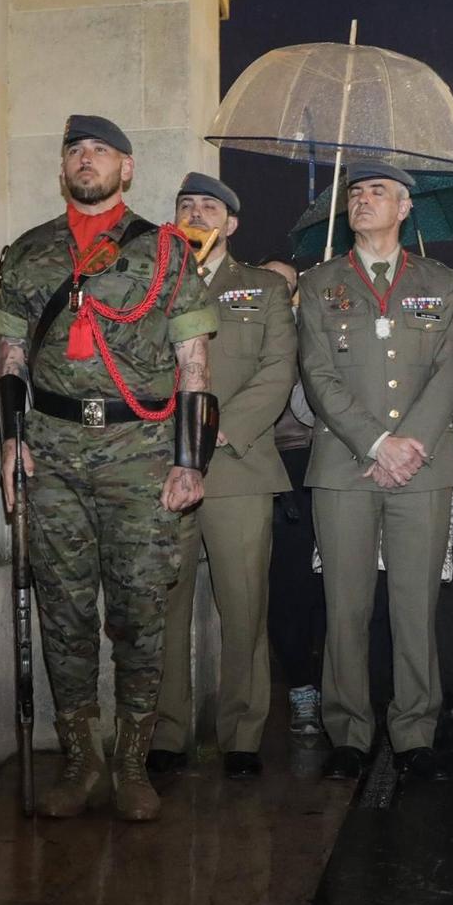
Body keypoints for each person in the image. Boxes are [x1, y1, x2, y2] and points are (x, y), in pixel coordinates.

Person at [0, 115, 216, 823]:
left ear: (127, 166)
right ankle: (83, 758)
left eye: (99, 151)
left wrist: (192, 458)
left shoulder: (168, 253)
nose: (85, 159)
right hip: (53, 450)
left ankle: (131, 760)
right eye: (74, 150)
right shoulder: (29, 253)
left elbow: (194, 364)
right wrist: (10, 440)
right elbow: (10, 358)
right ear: (63, 168)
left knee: (142, 608)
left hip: (140, 453)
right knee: (62, 608)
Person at [297, 163, 453, 783]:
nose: (363, 201)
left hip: (421, 467)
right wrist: (375, 443)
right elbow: (318, 374)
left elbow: (447, 368)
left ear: (404, 208)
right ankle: (348, 731)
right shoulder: (319, 283)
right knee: (344, 605)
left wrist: (409, 443)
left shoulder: (439, 280)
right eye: (356, 193)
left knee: (415, 605)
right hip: (345, 465)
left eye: (378, 194)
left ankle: (415, 728)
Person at [149, 175, 294, 779]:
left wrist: (218, 431)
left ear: (230, 224)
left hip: (237, 463)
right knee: (164, 608)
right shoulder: (152, 286)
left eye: (209, 206)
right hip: (161, 467)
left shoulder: (260, 288)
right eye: (186, 205)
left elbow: (277, 369)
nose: (197, 213)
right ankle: (165, 733)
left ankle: (241, 737)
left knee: (244, 606)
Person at [262, 258, 325, 738]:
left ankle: (319, 684)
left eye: (289, 286)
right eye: (270, 285)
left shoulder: (314, 333)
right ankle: (300, 687)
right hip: (257, 466)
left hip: (306, 466)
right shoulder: (245, 334)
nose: (280, 294)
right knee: (281, 588)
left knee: (312, 584)